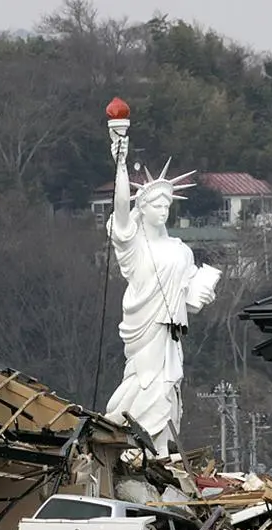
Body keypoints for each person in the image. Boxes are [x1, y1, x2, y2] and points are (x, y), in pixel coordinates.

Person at [104, 134, 220, 457]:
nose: (163, 209)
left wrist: (202, 289)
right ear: (144, 207)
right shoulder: (137, 248)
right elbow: (121, 214)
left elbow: (190, 294)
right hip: (145, 328)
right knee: (144, 383)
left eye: (167, 204)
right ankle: (135, 440)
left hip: (171, 336)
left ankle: (159, 452)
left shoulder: (180, 250)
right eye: (156, 204)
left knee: (166, 389)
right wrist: (121, 165)